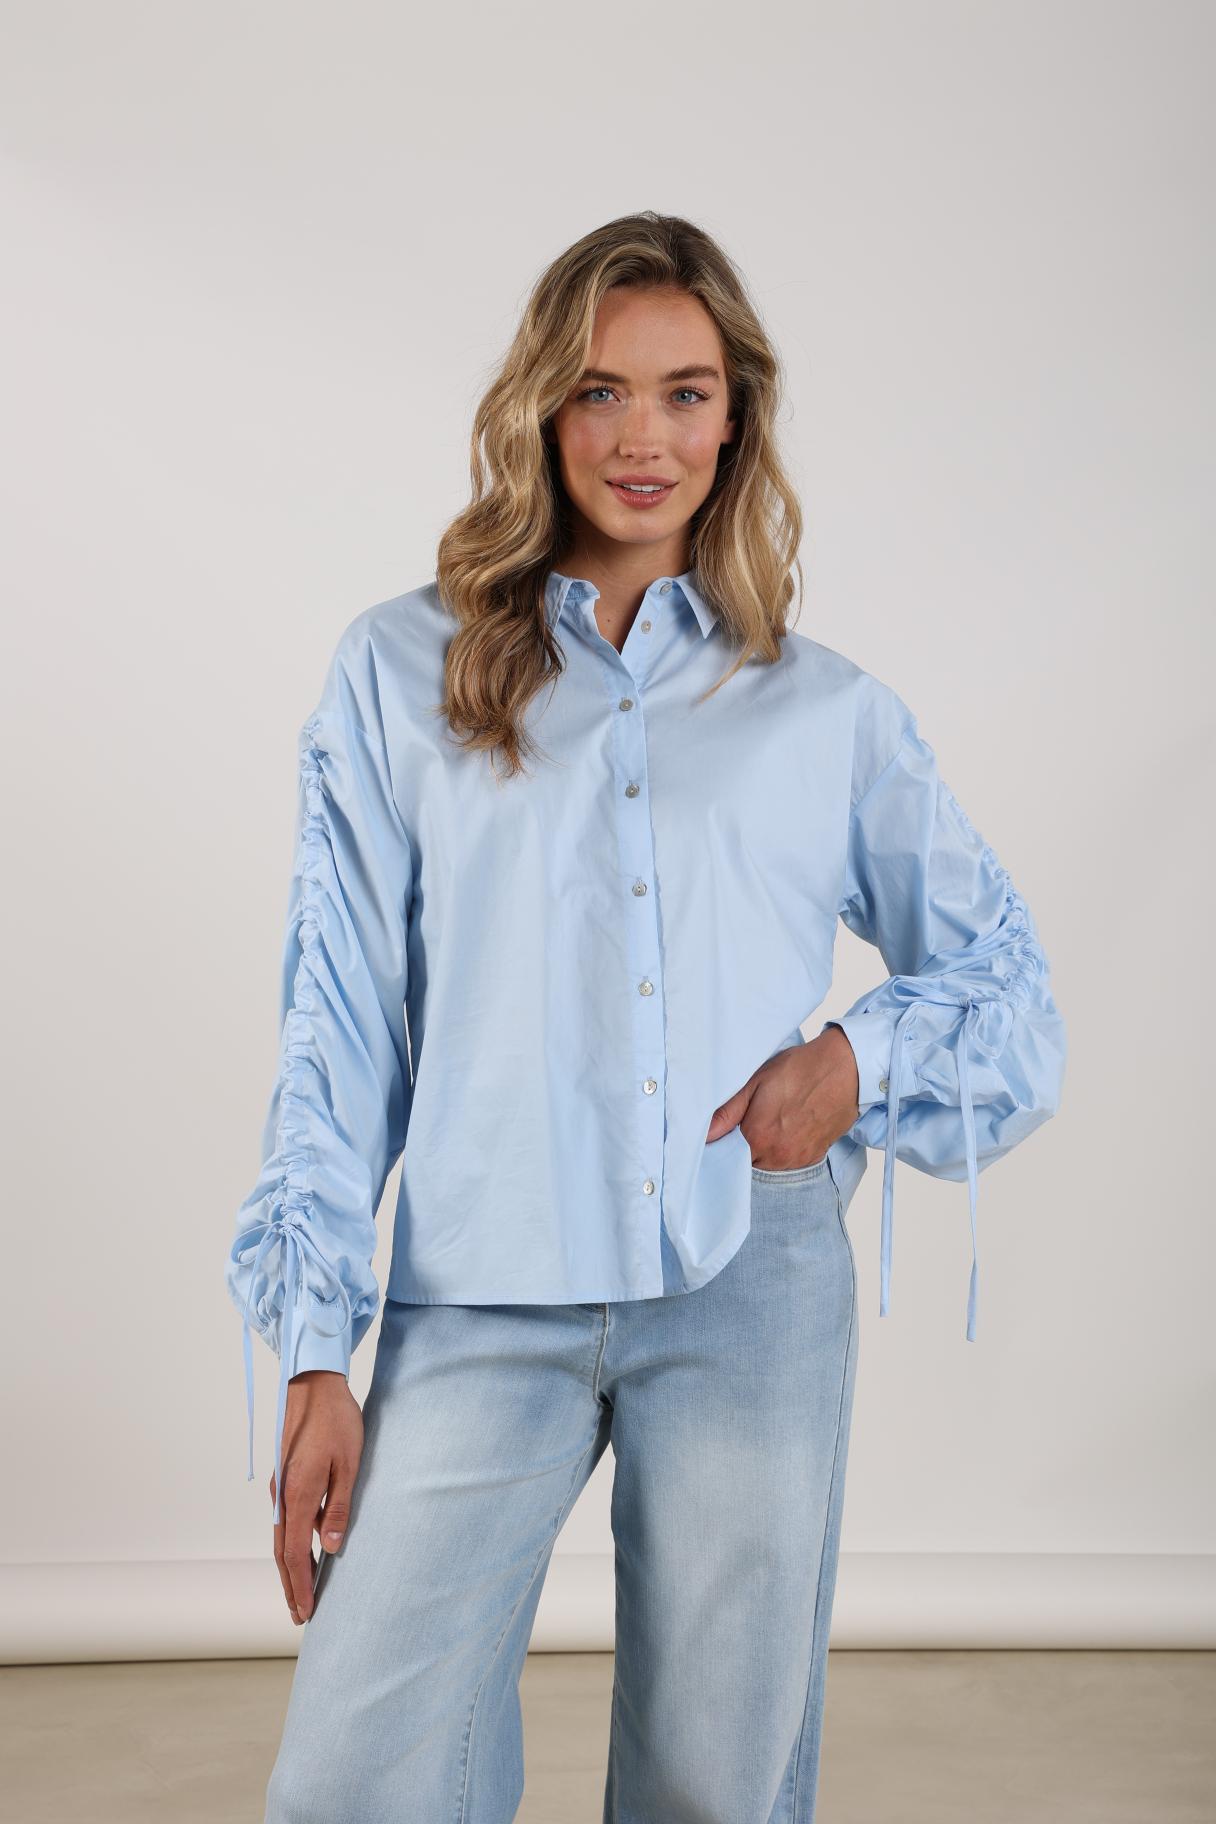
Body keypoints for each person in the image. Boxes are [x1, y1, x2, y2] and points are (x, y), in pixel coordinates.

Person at [225, 210, 1067, 1824]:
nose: (642, 438)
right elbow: (341, 1027)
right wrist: (316, 1348)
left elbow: (1012, 987)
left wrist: (855, 1063)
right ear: (543, 406)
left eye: (686, 394)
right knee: (356, 1779)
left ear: (736, 419)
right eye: (602, 391)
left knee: (714, 1785)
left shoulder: (821, 710)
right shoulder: (399, 673)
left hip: (750, 1278)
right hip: (481, 1289)